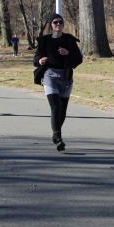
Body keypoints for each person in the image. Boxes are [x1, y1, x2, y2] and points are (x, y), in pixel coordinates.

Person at [35, 13, 83, 151]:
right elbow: (36, 57)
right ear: (51, 25)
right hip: (50, 75)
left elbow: (79, 59)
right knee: (55, 106)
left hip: (66, 77)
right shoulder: (45, 40)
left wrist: (68, 53)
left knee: (62, 110)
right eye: (55, 22)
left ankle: (56, 133)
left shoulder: (69, 40)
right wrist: (40, 60)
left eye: (60, 22)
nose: (58, 24)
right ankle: (58, 137)